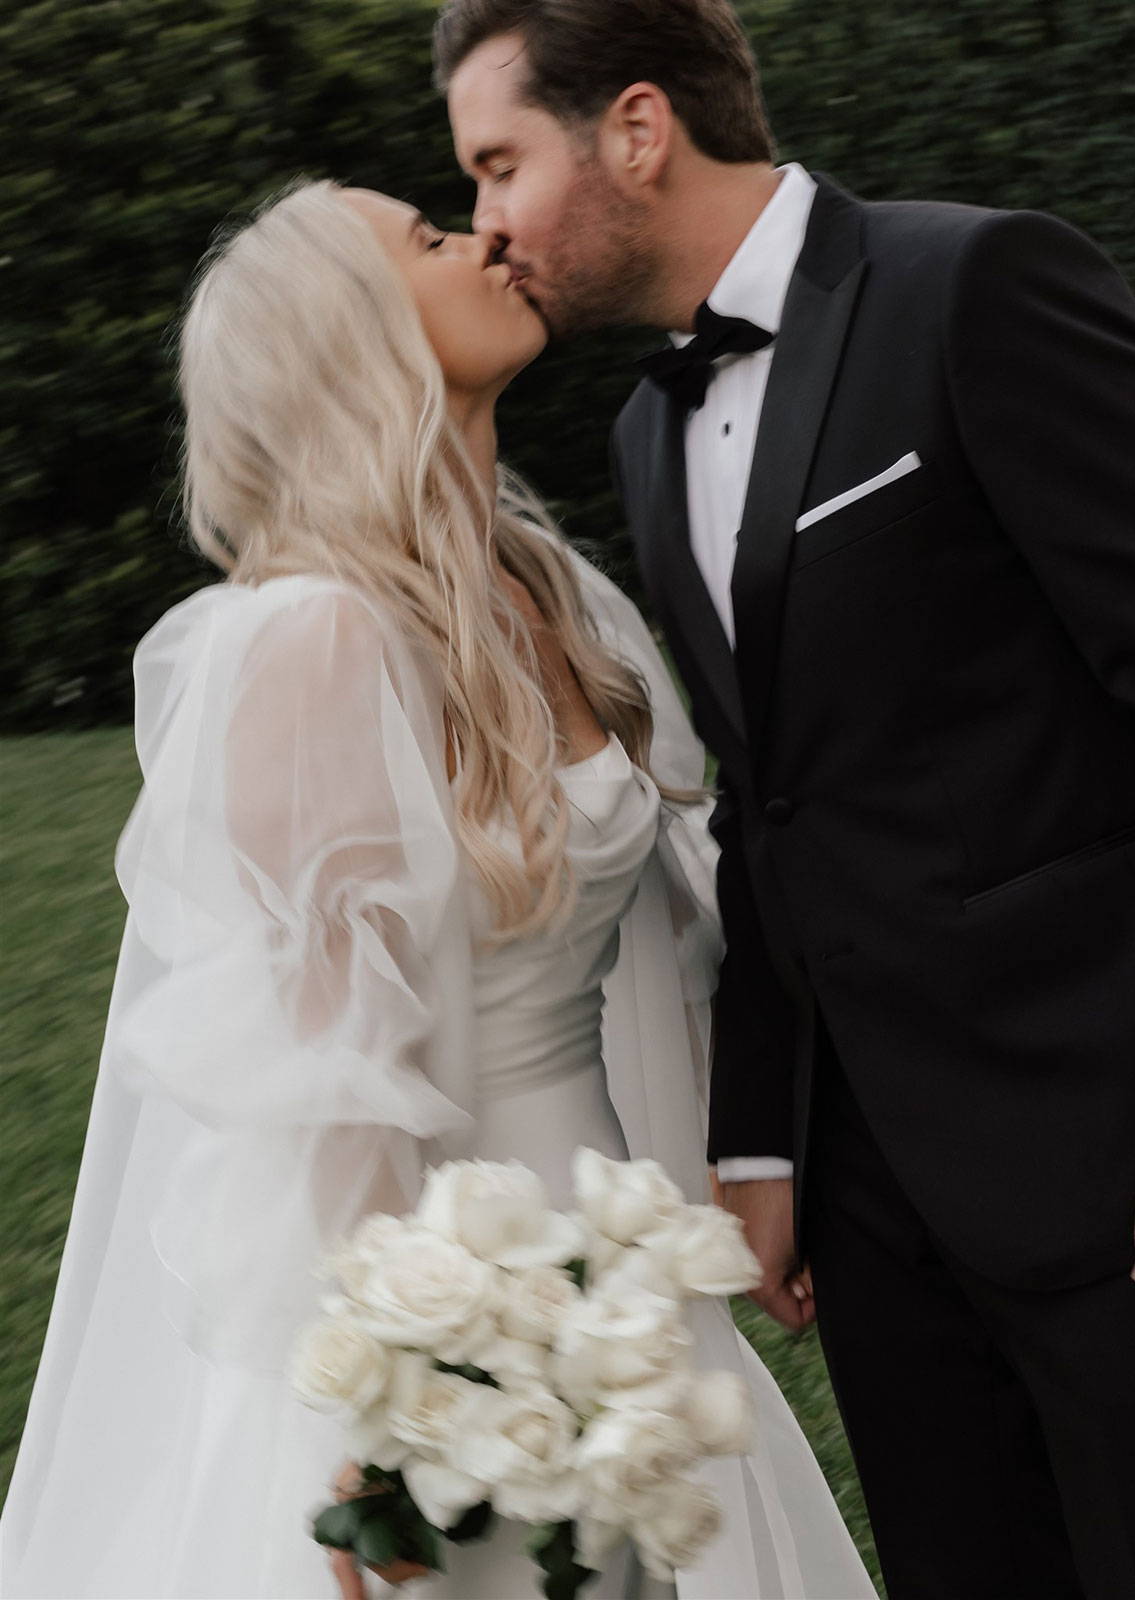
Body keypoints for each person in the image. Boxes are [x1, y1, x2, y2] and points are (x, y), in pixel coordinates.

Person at [0, 182, 875, 1600]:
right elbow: (330, 1082)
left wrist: (763, 1165)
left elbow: (698, 924)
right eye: (426, 238)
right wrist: (398, 1415)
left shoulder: (556, 592)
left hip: (616, 1276)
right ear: (352, 337)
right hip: (440, 1313)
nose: (482, 237)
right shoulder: (313, 642)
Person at [433, 2, 1135, 1597]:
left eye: (497, 165)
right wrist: (759, 1138)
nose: (485, 224)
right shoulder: (640, 430)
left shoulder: (974, 285)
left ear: (633, 127)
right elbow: (771, 801)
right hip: (877, 1203)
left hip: (1100, 1144)